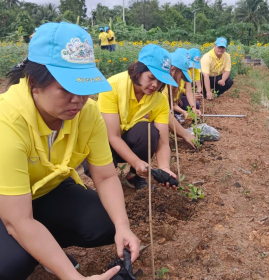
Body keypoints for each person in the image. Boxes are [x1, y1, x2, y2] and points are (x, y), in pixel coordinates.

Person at [0, 22, 140, 280]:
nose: (78, 99)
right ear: (34, 82)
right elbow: (16, 219)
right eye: (66, 88)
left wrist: (123, 227)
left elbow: (106, 176)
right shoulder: (7, 121)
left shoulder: (88, 115)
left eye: (84, 87)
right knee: (11, 262)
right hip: (6, 204)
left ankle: (43, 246)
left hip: (42, 190)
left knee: (105, 222)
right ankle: (35, 251)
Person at [97, 44, 178, 190]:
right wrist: (136, 161)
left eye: (160, 81)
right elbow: (113, 136)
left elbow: (163, 142)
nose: (155, 85)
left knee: (148, 130)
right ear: (137, 70)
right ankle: (106, 177)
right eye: (151, 78)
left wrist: (164, 167)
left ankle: (134, 176)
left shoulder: (160, 100)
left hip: (128, 141)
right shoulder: (112, 86)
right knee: (96, 151)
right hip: (104, 143)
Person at [161, 48, 198, 149]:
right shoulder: (162, 85)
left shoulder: (168, 81)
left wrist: (193, 107)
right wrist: (186, 135)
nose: (181, 79)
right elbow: (166, 114)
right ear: (172, 68)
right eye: (181, 76)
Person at [177, 48, 202, 116]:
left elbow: (189, 91)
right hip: (172, 99)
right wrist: (183, 112)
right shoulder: (171, 74)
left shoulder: (187, 72)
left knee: (196, 105)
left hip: (179, 96)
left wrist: (193, 107)